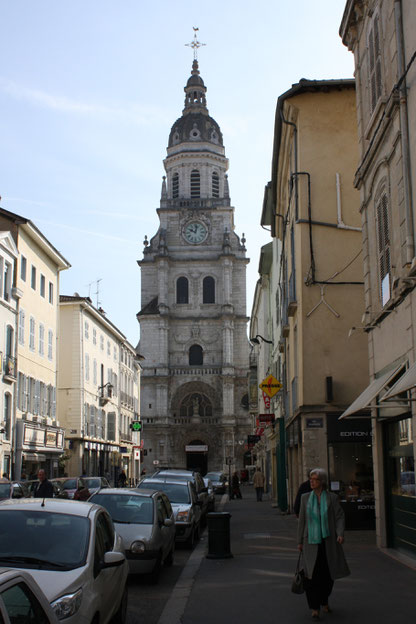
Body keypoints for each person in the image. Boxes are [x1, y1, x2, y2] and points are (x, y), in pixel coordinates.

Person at [297, 468, 350, 620]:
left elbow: (339, 516)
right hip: (310, 543)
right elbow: (302, 521)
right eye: (310, 479)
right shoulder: (305, 498)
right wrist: (299, 541)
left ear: (322, 482)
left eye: (314, 479)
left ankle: (324, 600)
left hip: (328, 543)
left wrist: (340, 533)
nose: (311, 481)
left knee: (327, 575)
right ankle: (314, 607)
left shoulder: (331, 498)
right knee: (310, 576)